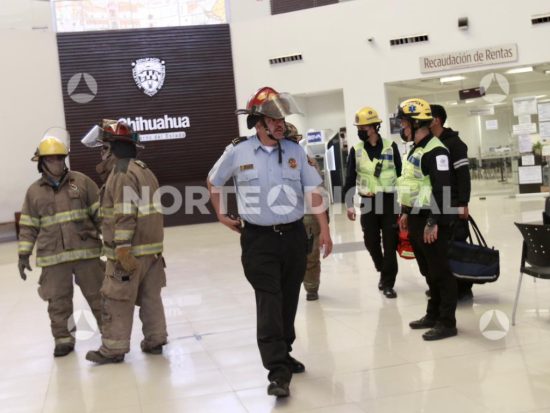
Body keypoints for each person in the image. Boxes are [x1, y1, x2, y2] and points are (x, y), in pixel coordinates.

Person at [207, 86, 333, 398]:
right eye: (274, 120)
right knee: (269, 301)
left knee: (288, 299)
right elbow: (214, 180)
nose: (280, 124)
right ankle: (277, 371)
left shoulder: (294, 151)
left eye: (282, 119)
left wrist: (325, 229)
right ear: (259, 123)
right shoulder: (238, 151)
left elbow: (313, 191)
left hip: (293, 237)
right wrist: (221, 214)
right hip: (258, 240)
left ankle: (284, 352)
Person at [82, 120, 168, 364]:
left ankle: (113, 349)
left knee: (116, 299)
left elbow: (124, 214)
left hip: (128, 253)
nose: (101, 154)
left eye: (104, 148)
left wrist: (121, 248)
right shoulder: (144, 170)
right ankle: (155, 339)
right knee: (151, 297)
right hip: (152, 253)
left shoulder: (121, 173)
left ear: (113, 149)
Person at [17, 133, 104, 357]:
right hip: (53, 257)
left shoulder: (82, 182)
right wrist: (23, 254)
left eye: (60, 158)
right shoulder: (34, 192)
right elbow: (28, 226)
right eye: (51, 158)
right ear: (41, 163)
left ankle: (113, 337)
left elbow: (101, 215)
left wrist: (115, 243)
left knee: (100, 297)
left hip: (86, 253)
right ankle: (63, 340)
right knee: (58, 302)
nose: (56, 162)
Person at [396, 98, 457, 341]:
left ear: (416, 123)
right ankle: (433, 314)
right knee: (428, 271)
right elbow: (413, 184)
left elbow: (443, 190)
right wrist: (406, 211)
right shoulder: (416, 149)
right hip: (416, 217)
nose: (402, 128)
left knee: (440, 272)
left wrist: (433, 221)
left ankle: (447, 322)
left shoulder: (436, 151)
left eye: (404, 123)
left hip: (432, 220)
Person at [343, 106, 402, 298]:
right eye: (359, 128)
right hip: (367, 202)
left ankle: (388, 283)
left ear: (375, 127)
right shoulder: (356, 150)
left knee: (390, 243)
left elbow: (402, 175)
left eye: (364, 128)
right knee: (370, 241)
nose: (360, 131)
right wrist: (349, 204)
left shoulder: (390, 147)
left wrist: (406, 203)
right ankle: (383, 269)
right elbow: (350, 178)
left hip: (389, 201)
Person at [430, 104, 473, 301]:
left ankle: (463, 287)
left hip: (454, 201)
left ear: (437, 120)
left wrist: (463, 202)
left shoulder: (455, 144)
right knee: (441, 247)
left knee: (457, 244)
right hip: (437, 200)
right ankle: (446, 286)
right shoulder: (431, 144)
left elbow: (463, 175)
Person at [285, 122, 324, 301]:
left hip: (307, 213)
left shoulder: (304, 156)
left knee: (310, 254)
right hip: (284, 215)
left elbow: (317, 186)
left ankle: (311, 287)